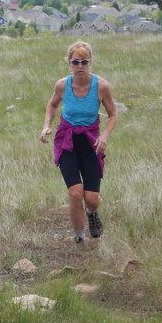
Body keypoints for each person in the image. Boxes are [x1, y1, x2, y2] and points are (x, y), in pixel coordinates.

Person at [39, 41, 118, 243]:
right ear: (69, 63)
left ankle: (92, 213)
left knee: (91, 198)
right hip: (67, 142)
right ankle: (79, 237)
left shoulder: (101, 86)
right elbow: (52, 104)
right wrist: (46, 125)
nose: (80, 66)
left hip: (91, 144)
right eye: (75, 62)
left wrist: (104, 136)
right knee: (75, 193)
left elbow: (113, 115)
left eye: (84, 61)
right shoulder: (62, 85)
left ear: (90, 62)